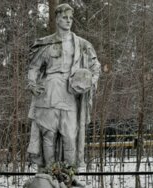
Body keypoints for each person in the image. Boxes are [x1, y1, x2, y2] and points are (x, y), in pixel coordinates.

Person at [27, 3, 100, 169]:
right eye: (64, 18)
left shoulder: (82, 45)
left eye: (70, 18)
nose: (68, 21)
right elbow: (34, 67)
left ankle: (69, 176)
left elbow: (96, 68)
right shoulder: (46, 44)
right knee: (48, 134)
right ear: (57, 19)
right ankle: (48, 173)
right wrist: (32, 84)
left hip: (70, 94)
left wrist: (89, 83)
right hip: (48, 93)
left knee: (69, 135)